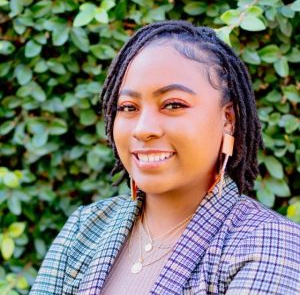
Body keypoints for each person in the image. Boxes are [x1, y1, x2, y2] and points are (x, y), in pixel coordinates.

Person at [30, 20, 300, 295]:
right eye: (128, 107)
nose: (143, 128)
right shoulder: (86, 227)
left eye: (173, 104)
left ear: (227, 119)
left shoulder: (269, 242)